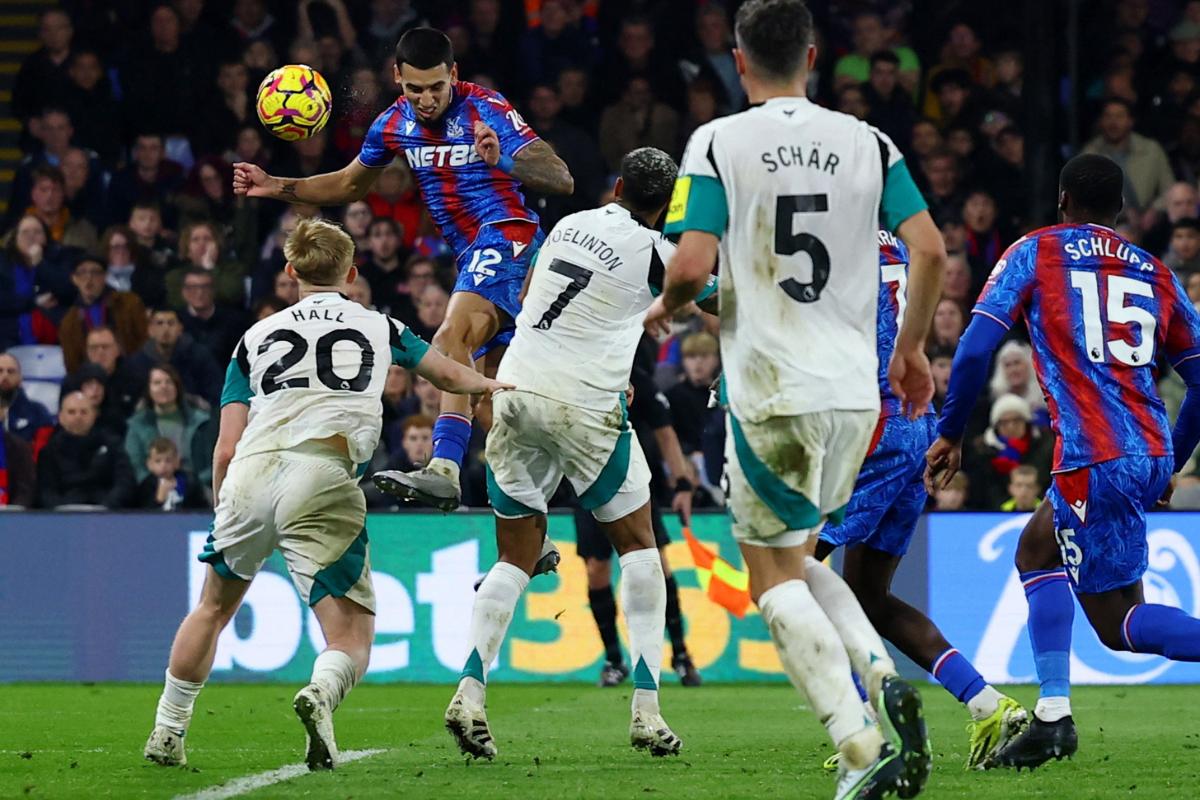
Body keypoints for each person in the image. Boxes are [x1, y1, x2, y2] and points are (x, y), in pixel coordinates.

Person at [643, 2, 947, 797]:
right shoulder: (869, 143)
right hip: (856, 399)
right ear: (812, 56)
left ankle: (858, 743)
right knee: (801, 558)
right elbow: (931, 249)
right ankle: (882, 679)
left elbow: (688, 262)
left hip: (773, 391)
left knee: (770, 578)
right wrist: (911, 348)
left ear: (738, 63)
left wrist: (666, 308)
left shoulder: (717, 141)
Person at [143, 217, 511, 770]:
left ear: (290, 271)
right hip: (324, 470)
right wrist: (488, 384)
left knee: (212, 609)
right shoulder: (379, 325)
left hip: (250, 471)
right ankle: (320, 692)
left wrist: (226, 508)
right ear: (352, 272)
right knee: (351, 635)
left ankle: (166, 733)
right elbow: (447, 373)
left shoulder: (253, 339)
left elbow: (223, 447)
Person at [927, 153, 1200, 770]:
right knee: (1037, 549)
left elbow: (972, 353)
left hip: (1093, 456)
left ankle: (1055, 718)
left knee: (1118, 624)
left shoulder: (1035, 251)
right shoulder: (1157, 271)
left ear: (1062, 200)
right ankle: (1053, 715)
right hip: (1148, 448)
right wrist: (1171, 465)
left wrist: (951, 433)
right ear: (1121, 209)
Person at [422, 148, 695, 763]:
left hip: (515, 391)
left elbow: (540, 293)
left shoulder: (571, 225)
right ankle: (648, 710)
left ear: (618, 184)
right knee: (640, 547)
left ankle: (469, 691)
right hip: (583, 404)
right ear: (665, 205)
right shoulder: (659, 252)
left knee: (515, 557)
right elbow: (710, 299)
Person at [233, 27, 573, 513]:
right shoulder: (393, 124)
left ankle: (444, 470)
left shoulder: (486, 109)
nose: (428, 99)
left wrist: (506, 161)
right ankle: (527, 507)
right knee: (499, 394)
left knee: (449, 339)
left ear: (453, 74)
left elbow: (561, 177)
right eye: (416, 89)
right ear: (397, 78)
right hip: (471, 254)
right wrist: (275, 185)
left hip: (507, 233)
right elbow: (350, 185)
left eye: (437, 87)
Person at [815, 231, 1027, 771]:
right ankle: (987, 705)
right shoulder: (899, 246)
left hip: (871, 425)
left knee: (788, 571)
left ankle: (865, 733)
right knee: (870, 596)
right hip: (913, 421)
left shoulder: (832, 242)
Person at [36, 390, 135, 509]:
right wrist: (61, 513)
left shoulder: (112, 444)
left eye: (84, 412)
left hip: (106, 513)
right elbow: (46, 491)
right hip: (65, 515)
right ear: (61, 417)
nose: (78, 417)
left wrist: (107, 507)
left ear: (94, 415)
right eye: (71, 412)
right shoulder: (49, 451)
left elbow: (124, 482)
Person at [57, 257, 149, 374]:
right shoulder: (69, 321)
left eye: (95, 272)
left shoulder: (129, 303)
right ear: (74, 279)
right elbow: (72, 363)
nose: (88, 278)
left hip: (130, 372)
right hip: (91, 379)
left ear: (105, 276)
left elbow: (143, 340)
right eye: (82, 273)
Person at [124, 364, 212, 485]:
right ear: (148, 389)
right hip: (152, 493)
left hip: (198, 490)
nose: (163, 387)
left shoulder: (201, 422)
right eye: (157, 383)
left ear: (177, 387)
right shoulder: (137, 424)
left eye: (169, 382)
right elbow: (136, 466)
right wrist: (155, 486)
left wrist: (190, 485)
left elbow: (213, 464)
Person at [128, 308, 224, 408]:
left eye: (171, 323)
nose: (165, 328)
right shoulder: (137, 363)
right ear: (150, 330)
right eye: (159, 323)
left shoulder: (199, 356)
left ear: (180, 329)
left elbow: (216, 394)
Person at [136, 436, 207, 510]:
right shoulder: (146, 485)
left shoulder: (190, 481)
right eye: (158, 461)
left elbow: (201, 508)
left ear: (176, 462)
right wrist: (159, 500)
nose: (163, 466)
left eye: (168, 461)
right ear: (150, 464)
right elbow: (142, 513)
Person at [0, 353, 55, 448]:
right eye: (0, 371)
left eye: (11, 371)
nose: (5, 375)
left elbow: (45, 451)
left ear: (20, 378)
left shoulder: (37, 411)